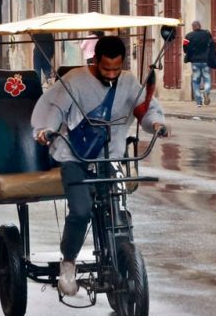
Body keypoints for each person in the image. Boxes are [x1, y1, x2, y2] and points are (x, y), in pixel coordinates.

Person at [32, 36, 168, 296]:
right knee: (81, 211)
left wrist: (156, 124)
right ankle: (68, 263)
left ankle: (121, 255)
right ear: (95, 60)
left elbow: (145, 109)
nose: (112, 74)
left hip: (110, 156)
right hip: (75, 157)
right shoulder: (74, 81)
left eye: (117, 68)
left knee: (119, 206)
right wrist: (45, 129)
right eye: (106, 68)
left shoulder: (128, 82)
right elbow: (54, 110)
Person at [183, 21, 214, 107]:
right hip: (206, 61)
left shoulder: (188, 36)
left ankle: (199, 102)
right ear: (200, 26)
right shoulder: (207, 34)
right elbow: (212, 44)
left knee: (196, 82)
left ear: (193, 27)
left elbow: (185, 48)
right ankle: (206, 92)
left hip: (195, 62)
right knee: (207, 79)